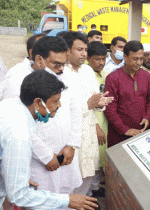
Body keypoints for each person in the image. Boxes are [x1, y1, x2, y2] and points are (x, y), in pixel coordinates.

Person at [0, 70, 97, 209]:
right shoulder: (19, 135)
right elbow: (19, 195)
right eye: (56, 101)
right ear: (38, 103)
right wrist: (67, 200)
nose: (60, 105)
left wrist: (14, 174)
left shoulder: (10, 104)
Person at [17, 37, 83, 203]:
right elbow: (19, 125)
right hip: (39, 161)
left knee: (67, 200)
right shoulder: (19, 80)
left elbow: (76, 111)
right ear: (40, 59)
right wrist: (46, 156)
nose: (61, 69)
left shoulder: (67, 76)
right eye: (56, 64)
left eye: (64, 63)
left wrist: (72, 144)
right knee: (43, 200)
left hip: (66, 154)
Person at [61, 31, 113, 196]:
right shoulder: (60, 73)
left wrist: (100, 103)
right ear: (67, 50)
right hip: (70, 134)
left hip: (89, 130)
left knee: (88, 173)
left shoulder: (88, 71)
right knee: (70, 176)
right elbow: (59, 107)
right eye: (79, 49)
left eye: (85, 49)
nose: (84, 53)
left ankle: (81, 202)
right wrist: (87, 105)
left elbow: (94, 99)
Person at [104, 41, 150, 147]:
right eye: (135, 59)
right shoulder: (113, 78)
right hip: (119, 135)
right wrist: (125, 130)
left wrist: (147, 117)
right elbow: (109, 108)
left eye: (141, 58)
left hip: (141, 132)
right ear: (125, 57)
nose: (139, 62)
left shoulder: (146, 76)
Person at [87, 41, 110, 197]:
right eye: (97, 59)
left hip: (104, 121)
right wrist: (96, 126)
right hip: (91, 123)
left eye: (103, 59)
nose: (101, 62)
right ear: (88, 58)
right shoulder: (85, 76)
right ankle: (87, 193)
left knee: (100, 158)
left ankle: (94, 188)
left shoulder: (106, 74)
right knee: (90, 159)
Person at [1, 33, 46, 100]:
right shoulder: (17, 77)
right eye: (46, 51)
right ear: (31, 53)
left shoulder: (50, 72)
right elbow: (11, 106)